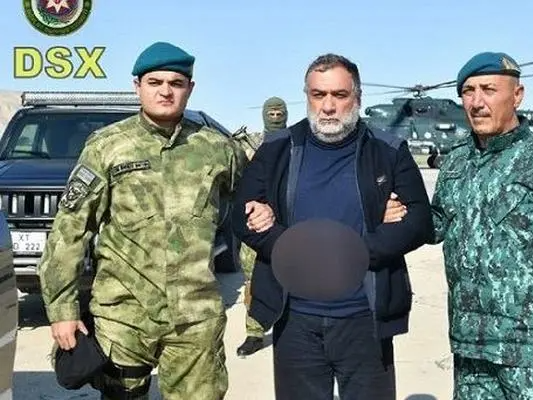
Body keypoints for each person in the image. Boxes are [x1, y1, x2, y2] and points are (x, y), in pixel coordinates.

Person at [386, 51, 533, 399]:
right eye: (468, 92)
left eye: (489, 90)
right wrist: (399, 211)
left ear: (517, 95)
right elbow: (439, 224)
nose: (477, 102)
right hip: (472, 348)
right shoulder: (457, 161)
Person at [37, 41, 257, 399]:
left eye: (176, 83)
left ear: (190, 88)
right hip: (123, 316)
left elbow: (253, 205)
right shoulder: (107, 146)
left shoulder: (218, 149)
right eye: (155, 82)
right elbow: (70, 230)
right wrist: (63, 309)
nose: (165, 91)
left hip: (195, 317)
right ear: (137, 86)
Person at [231, 53, 433, 399]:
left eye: (339, 95)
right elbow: (241, 214)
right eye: (318, 94)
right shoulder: (278, 149)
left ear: (357, 97)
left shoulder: (388, 150)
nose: (327, 106)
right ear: (307, 96)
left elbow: (419, 221)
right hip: (295, 320)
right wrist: (290, 247)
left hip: (364, 319)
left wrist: (357, 252)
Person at [236, 96, 289, 357]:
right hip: (255, 224)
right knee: (253, 279)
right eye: (271, 113)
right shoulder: (249, 144)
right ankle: (254, 332)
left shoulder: (297, 142)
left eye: (279, 113)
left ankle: (290, 326)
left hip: (288, 219)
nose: (275, 117)